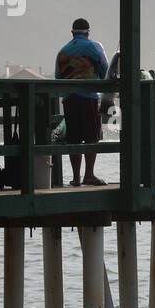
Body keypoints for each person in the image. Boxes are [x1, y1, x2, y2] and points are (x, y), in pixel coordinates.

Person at [55, 17, 110, 185]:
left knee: (74, 138)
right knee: (91, 137)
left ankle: (76, 178)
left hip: (70, 99)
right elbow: (105, 71)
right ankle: (89, 175)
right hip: (89, 98)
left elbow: (58, 77)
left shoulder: (62, 51)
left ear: (72, 32)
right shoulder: (94, 47)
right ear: (88, 32)